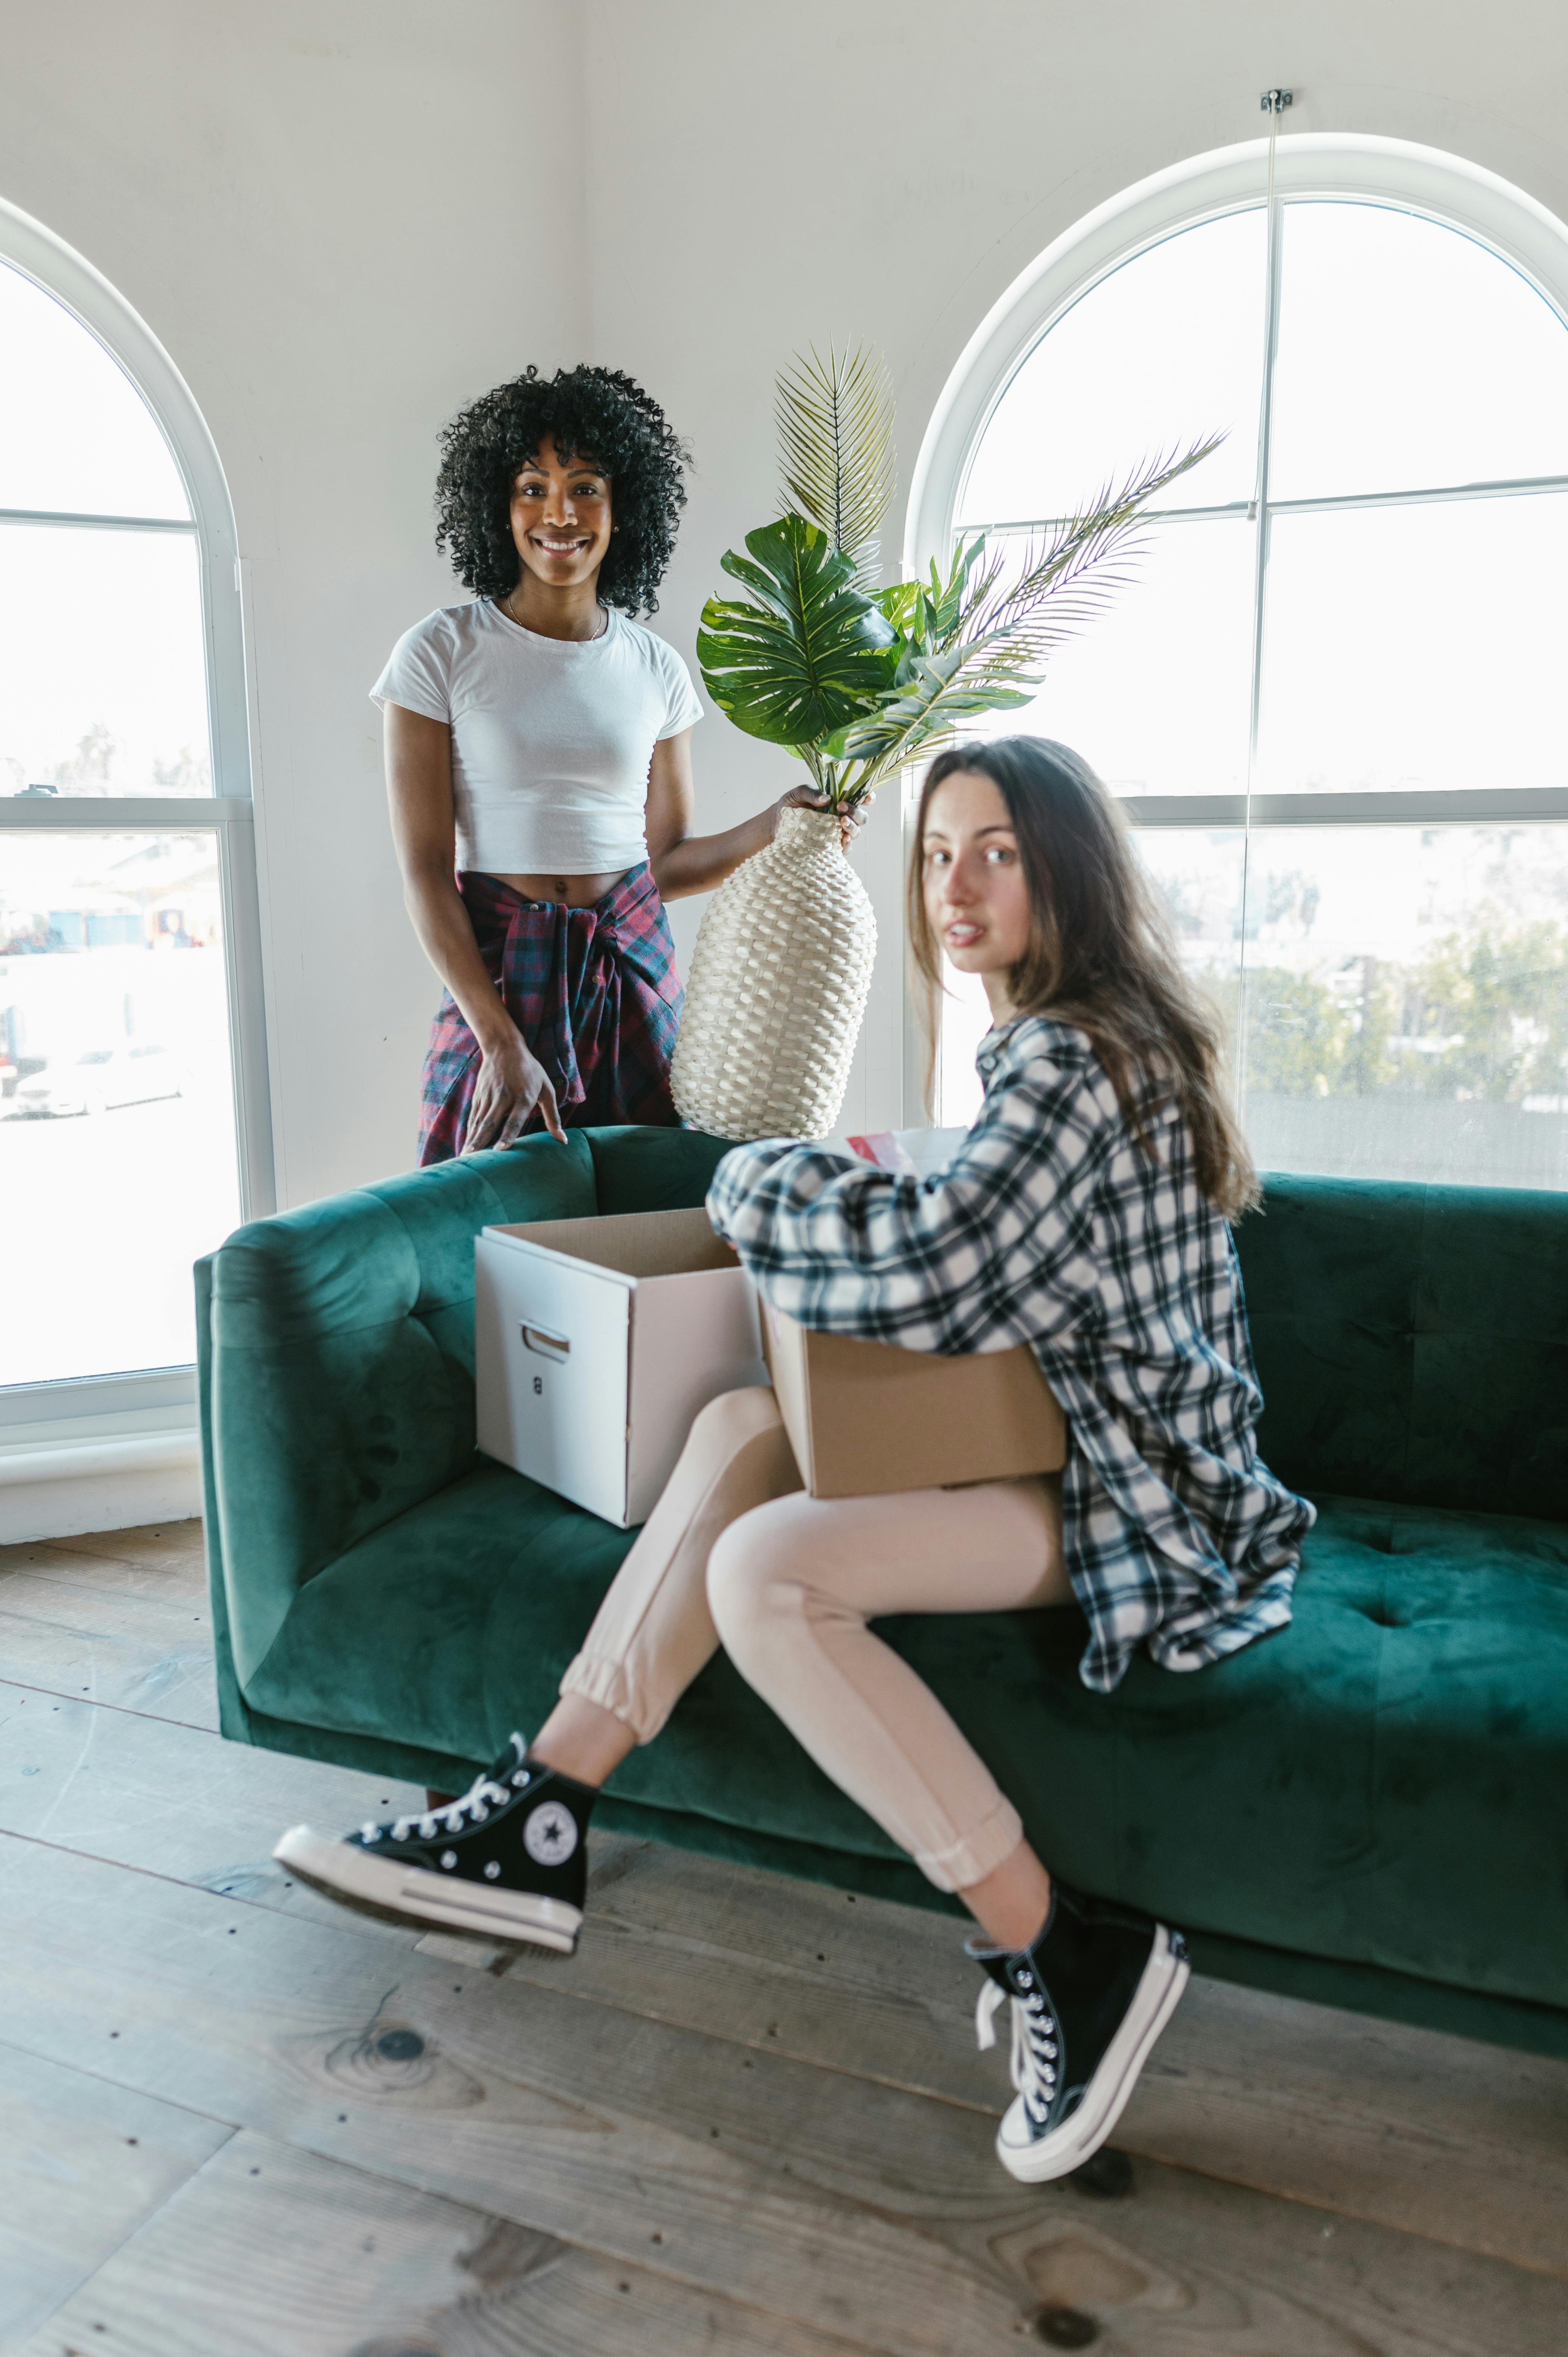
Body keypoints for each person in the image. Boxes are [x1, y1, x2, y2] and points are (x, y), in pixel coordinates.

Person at [278, 734, 1314, 2185]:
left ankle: (1069, 1949)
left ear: (1067, 867)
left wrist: (762, 1173)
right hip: (1073, 1430)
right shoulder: (1083, 1036)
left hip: (1128, 1495)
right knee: (736, 1425)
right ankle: (544, 1805)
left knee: (770, 1572)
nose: (957, 884)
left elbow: (945, 1278)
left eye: (999, 850)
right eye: (940, 849)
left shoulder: (1075, 1053)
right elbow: (992, 1253)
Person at [373, 363, 856, 1160]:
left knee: (649, 1220)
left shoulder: (658, 668)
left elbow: (663, 862)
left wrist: (780, 824)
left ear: (624, 506)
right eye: (533, 487)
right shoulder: (440, 651)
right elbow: (426, 872)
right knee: (483, 1226)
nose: (559, 514)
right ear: (499, 504)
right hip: (498, 974)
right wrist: (496, 1040)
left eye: (585, 487)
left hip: (633, 968)